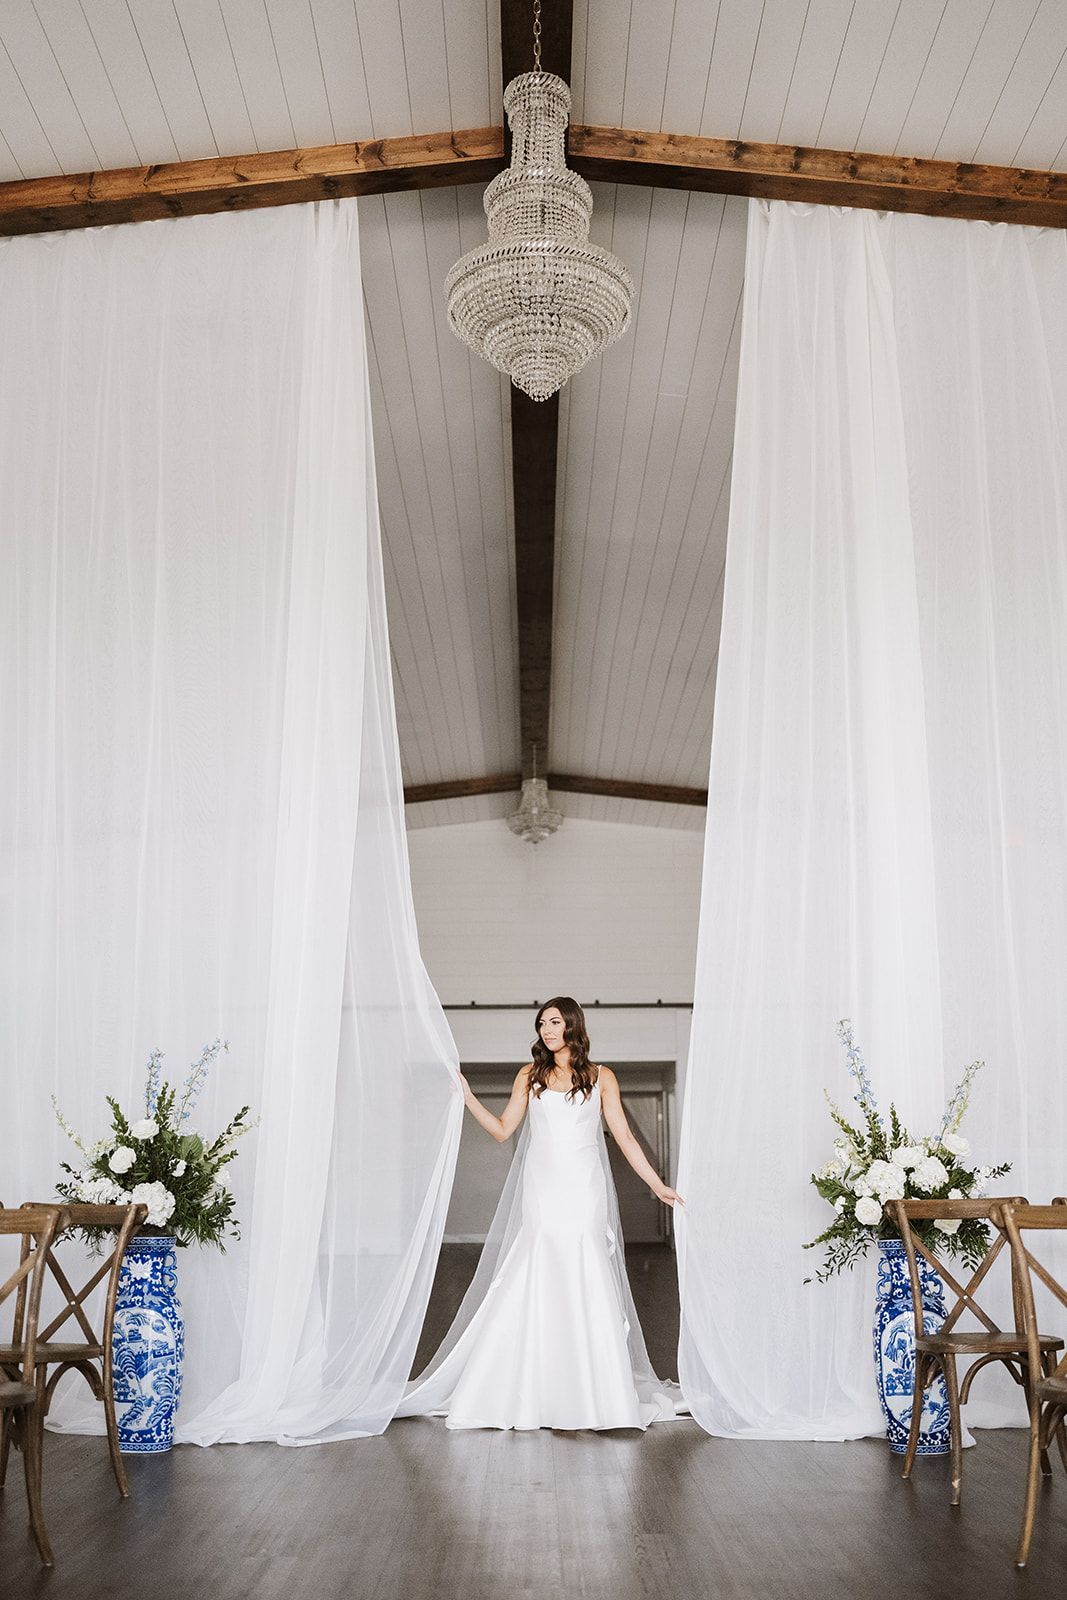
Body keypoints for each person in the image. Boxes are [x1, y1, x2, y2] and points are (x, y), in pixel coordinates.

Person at [396, 996, 685, 1431]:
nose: (547, 1030)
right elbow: (502, 1130)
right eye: (542, 1024)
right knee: (539, 1263)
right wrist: (469, 1098)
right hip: (542, 1187)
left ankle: (594, 1391)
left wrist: (656, 1184)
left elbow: (623, 1136)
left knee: (584, 1263)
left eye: (554, 1022)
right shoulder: (529, 1075)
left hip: (584, 1188)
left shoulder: (602, 1076)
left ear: (573, 1025)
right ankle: (532, 1386)